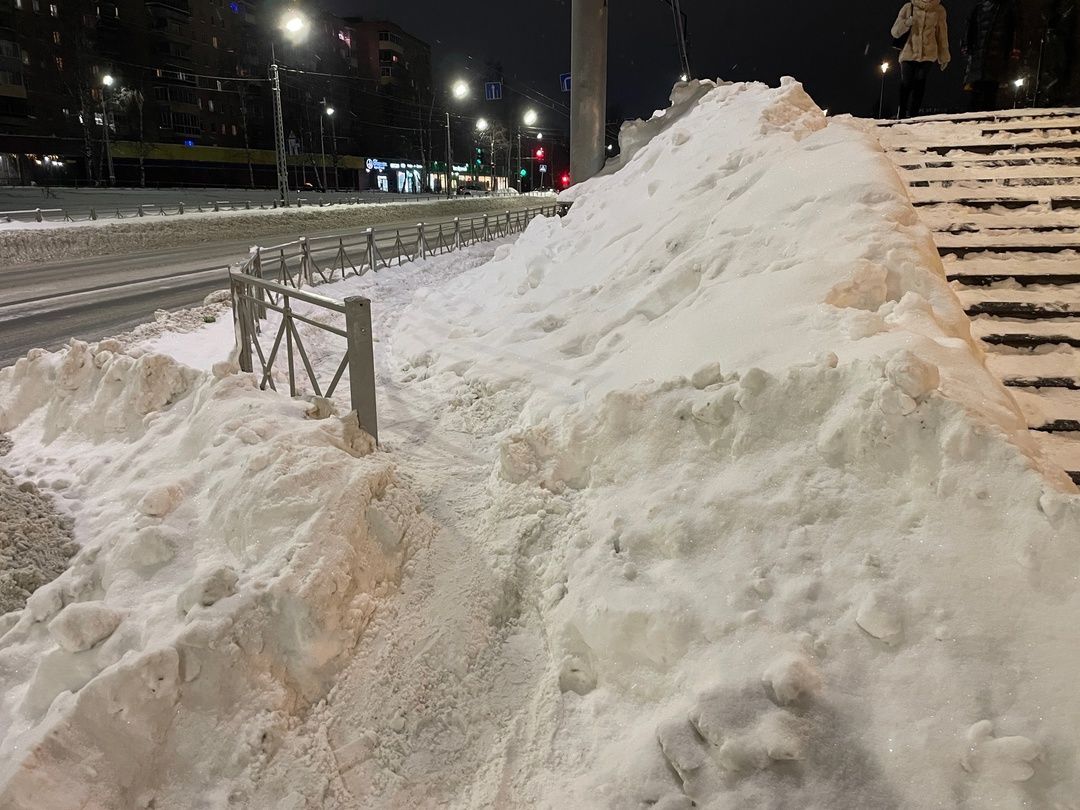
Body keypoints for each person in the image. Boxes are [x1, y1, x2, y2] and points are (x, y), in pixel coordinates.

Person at [892, 0, 952, 118]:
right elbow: (895, 32)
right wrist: (907, 23)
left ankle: (914, 114)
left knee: (920, 82)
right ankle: (902, 112)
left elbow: (942, 34)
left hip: (928, 53)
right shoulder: (909, 7)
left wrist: (944, 56)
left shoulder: (939, 10)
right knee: (906, 82)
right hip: (909, 52)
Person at [962, 0, 1020, 111]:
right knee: (981, 96)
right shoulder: (980, 8)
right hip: (985, 59)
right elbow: (970, 32)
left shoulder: (1006, 9)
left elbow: (1012, 33)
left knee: (985, 96)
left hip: (991, 60)